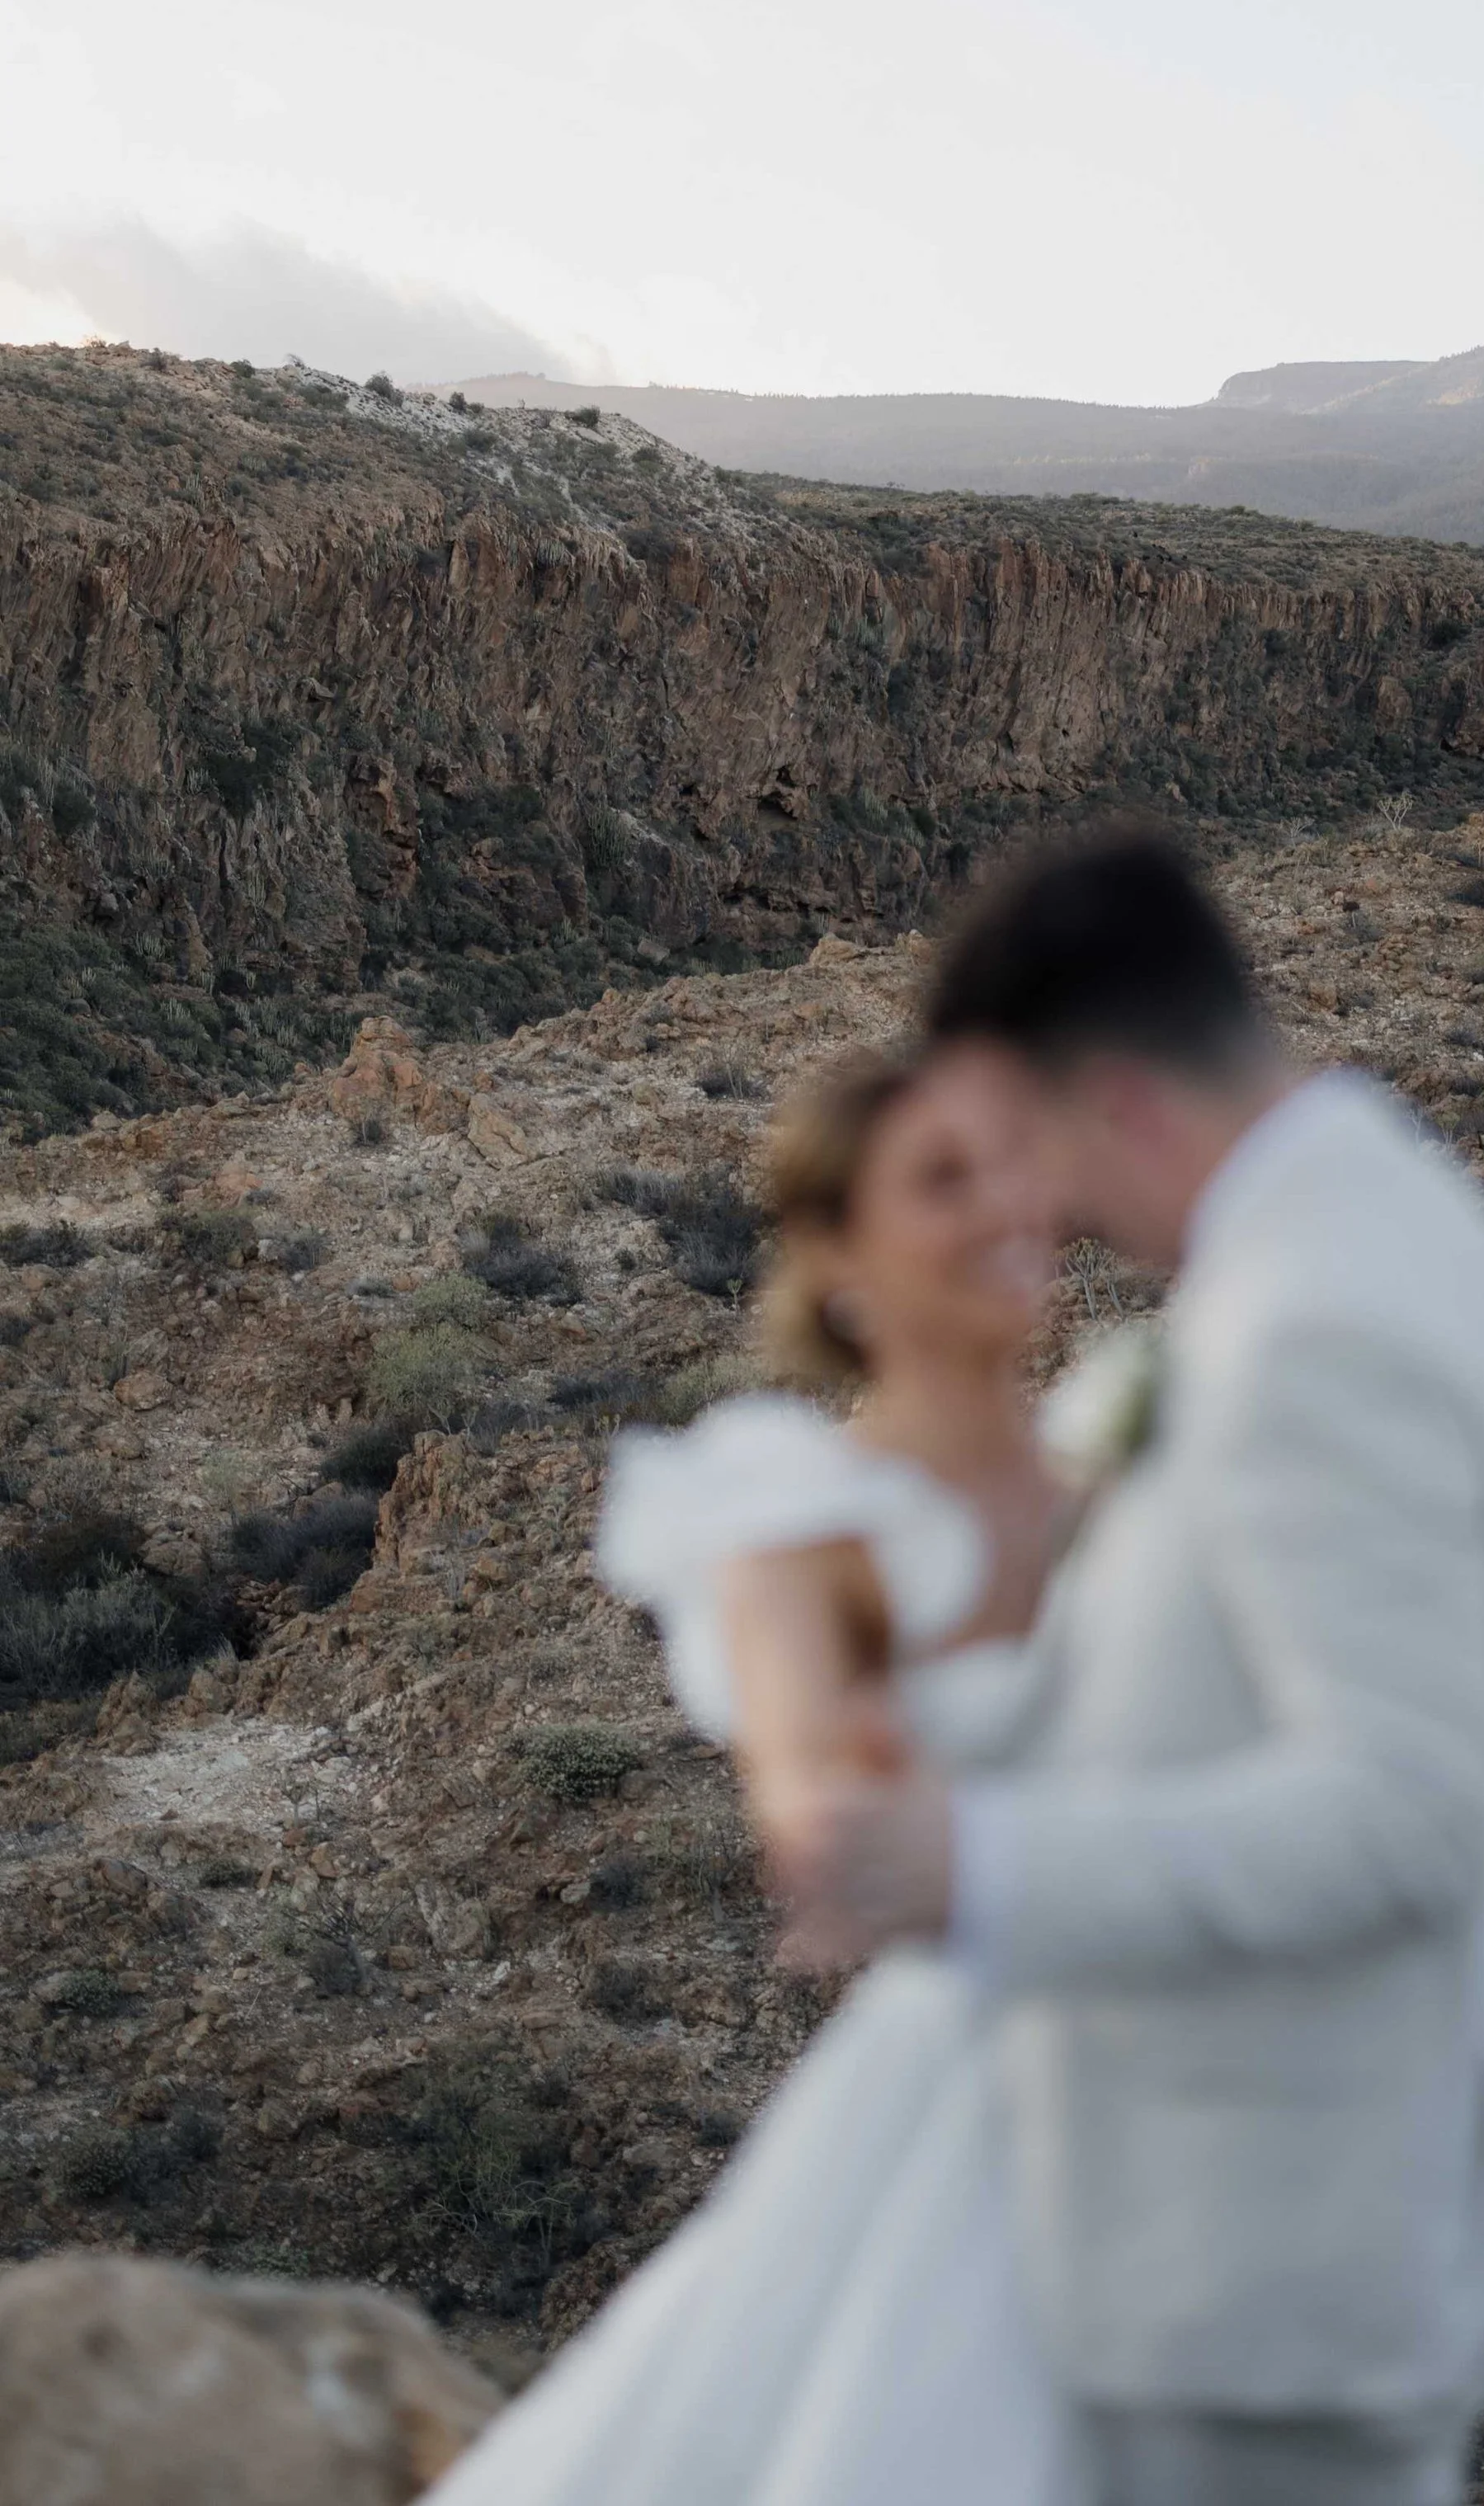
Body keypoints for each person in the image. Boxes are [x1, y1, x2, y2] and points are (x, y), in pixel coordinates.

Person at [777, 828, 1484, 2506]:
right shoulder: (1386, 1215)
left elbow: (1401, 1813)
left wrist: (978, 1861)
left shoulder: (1312, 1331)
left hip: (1288, 2234)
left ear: (1119, 1108)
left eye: (1020, 1147)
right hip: (1314, 2202)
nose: (1029, 1208)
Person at [426, 1047, 1094, 2506]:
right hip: (987, 2113)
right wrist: (852, 1810)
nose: (1002, 1204)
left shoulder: (1134, 1480)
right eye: (942, 1177)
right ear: (837, 1251)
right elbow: (804, 1784)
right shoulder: (806, 1520)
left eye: (1008, 1160)